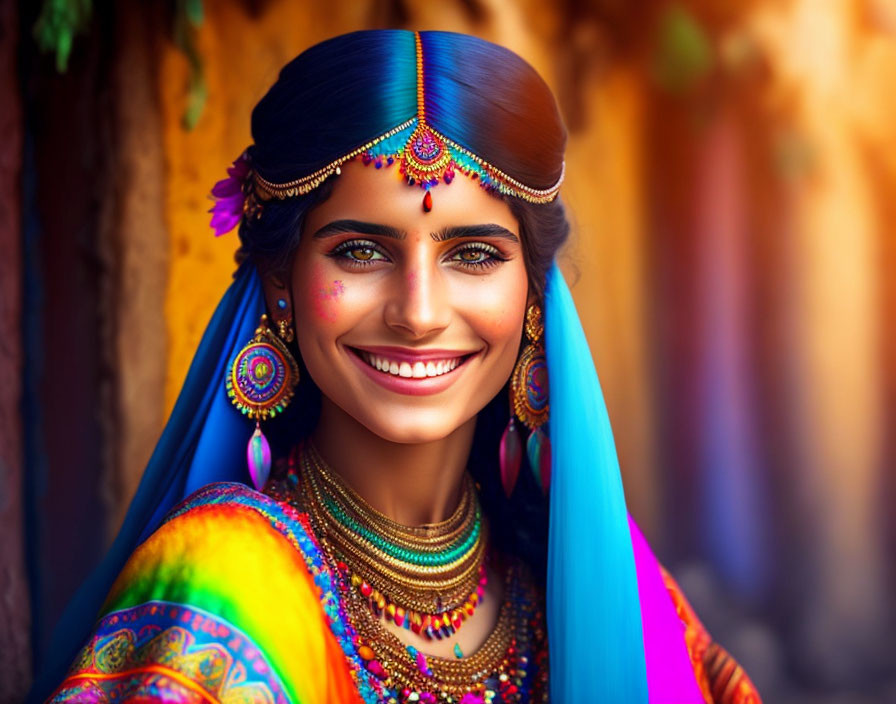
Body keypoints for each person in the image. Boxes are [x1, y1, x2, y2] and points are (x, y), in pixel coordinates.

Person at [32, 30, 760, 704]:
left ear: (535, 296)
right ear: (282, 282)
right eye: (361, 250)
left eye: (474, 255)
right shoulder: (229, 586)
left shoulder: (598, 581)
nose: (418, 313)